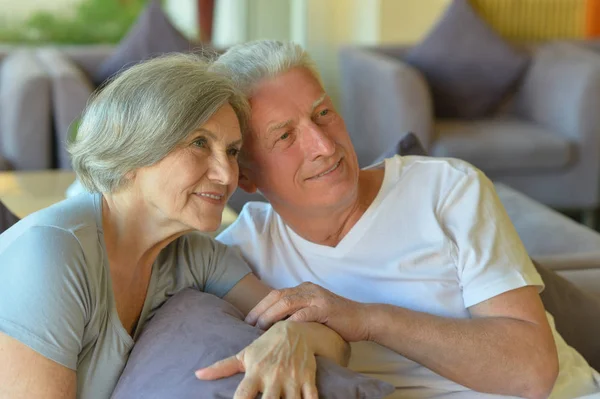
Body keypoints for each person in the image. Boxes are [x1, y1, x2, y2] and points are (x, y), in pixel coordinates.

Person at [214, 40, 600, 398]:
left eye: (323, 113)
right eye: (285, 137)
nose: (325, 146)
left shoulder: (447, 189)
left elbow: (533, 370)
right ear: (245, 176)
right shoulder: (241, 254)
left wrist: (367, 319)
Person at [0, 54, 348, 399]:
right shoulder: (52, 253)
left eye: (231, 151)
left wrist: (292, 337)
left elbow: (335, 343)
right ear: (130, 154)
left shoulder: (197, 256)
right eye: (199, 143)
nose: (226, 175)